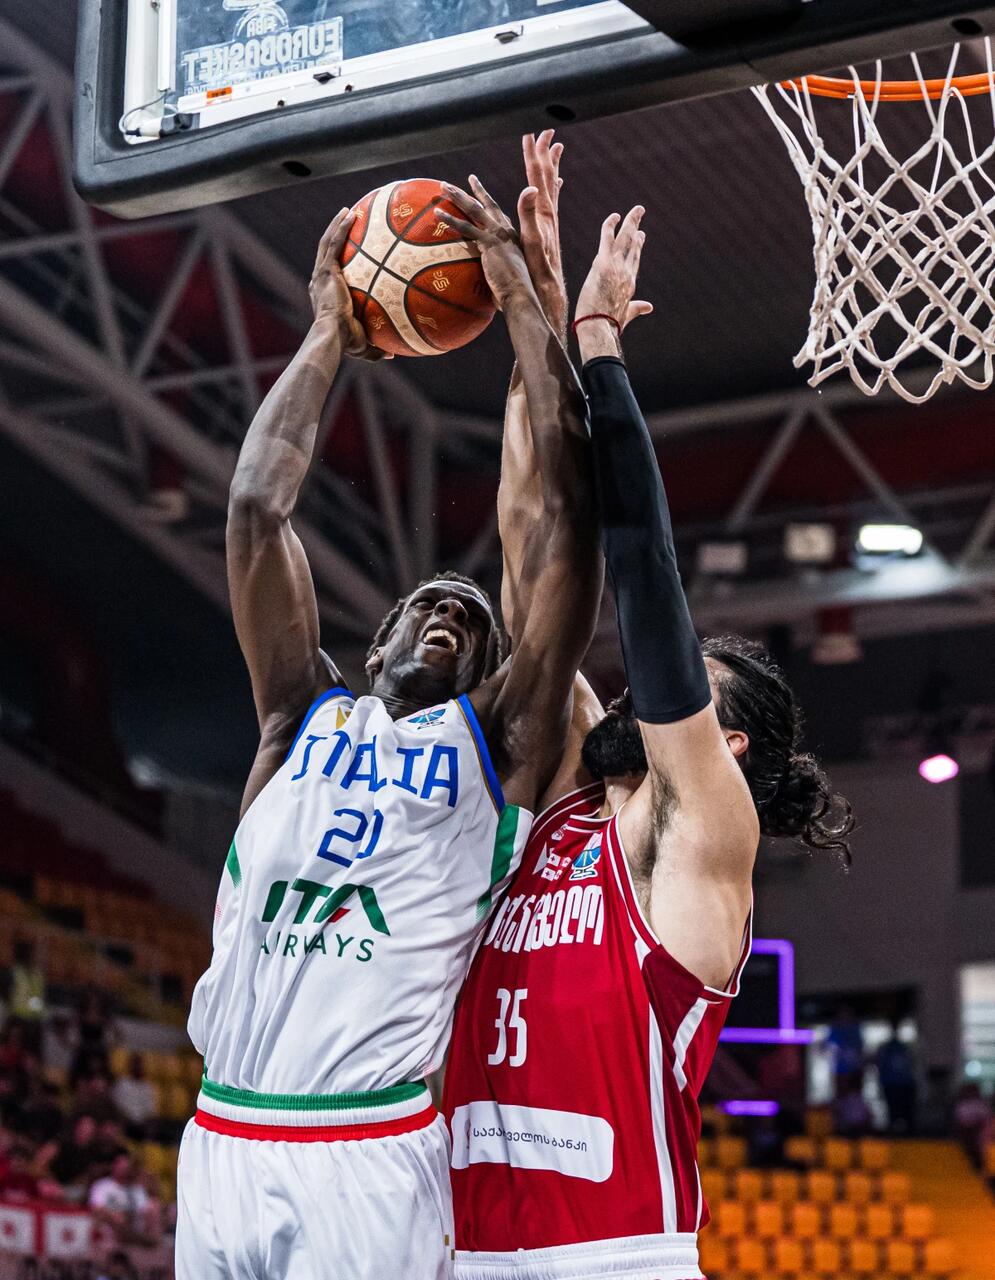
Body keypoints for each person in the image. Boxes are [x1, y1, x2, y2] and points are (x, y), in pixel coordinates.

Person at [175, 155, 601, 1280]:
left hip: (366, 1146)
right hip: (218, 1135)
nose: (450, 613)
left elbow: (568, 529)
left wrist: (518, 299)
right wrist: (327, 334)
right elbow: (255, 512)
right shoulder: (295, 720)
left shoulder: (494, 748)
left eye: (472, 617)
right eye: (427, 603)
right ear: (373, 644)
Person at [444, 135, 854, 1278]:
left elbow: (644, 582)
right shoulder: (577, 782)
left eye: (684, 690)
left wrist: (598, 346)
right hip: (459, 1238)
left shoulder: (696, 835)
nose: (638, 688)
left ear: (723, 745)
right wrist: (530, 319)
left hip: (611, 1254)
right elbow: (536, 543)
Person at [876, 1022, 917, 1134]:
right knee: (893, 1110)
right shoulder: (886, 1049)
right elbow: (881, 1065)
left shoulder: (903, 1047)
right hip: (891, 1083)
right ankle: (896, 1131)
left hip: (902, 1083)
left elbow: (910, 1063)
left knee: (904, 1111)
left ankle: (906, 1131)